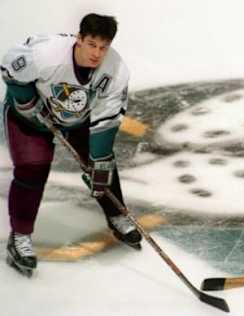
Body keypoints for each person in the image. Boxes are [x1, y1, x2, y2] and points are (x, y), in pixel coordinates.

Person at [1, 13, 142, 277]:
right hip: (29, 119)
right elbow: (10, 66)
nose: (97, 53)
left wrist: (98, 161)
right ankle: (20, 237)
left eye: (103, 47)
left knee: (101, 166)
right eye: (91, 44)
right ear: (79, 39)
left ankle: (117, 215)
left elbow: (107, 120)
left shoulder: (116, 70)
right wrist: (26, 100)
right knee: (32, 170)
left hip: (77, 119)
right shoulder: (47, 54)